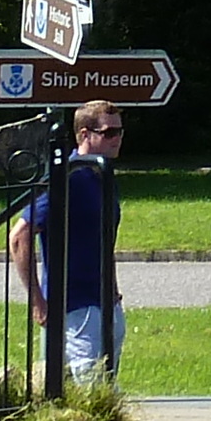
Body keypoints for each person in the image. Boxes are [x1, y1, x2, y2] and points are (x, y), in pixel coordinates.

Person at [13, 105, 126, 380]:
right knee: (89, 386)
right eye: (109, 132)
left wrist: (113, 289)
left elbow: (103, 239)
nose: (117, 138)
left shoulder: (101, 175)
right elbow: (20, 236)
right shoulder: (67, 177)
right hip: (74, 306)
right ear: (84, 134)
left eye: (120, 131)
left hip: (105, 303)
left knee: (103, 388)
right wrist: (38, 301)